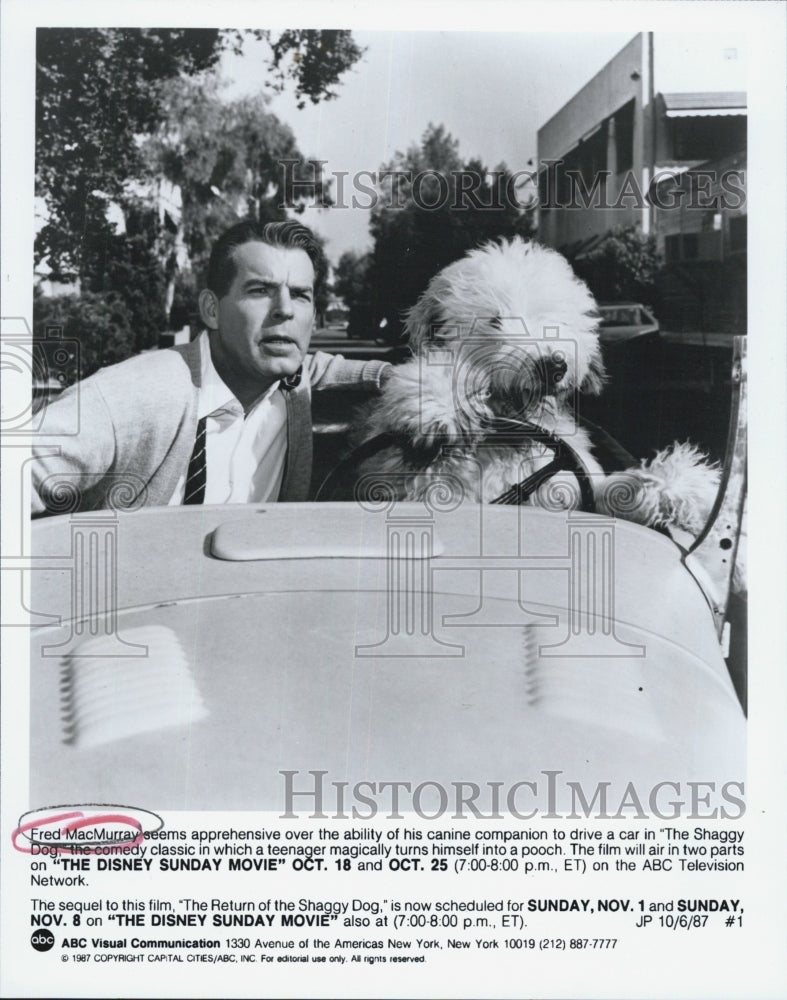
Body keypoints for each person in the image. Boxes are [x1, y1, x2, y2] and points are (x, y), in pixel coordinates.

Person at [31, 220, 391, 515]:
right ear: (211, 310)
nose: (285, 309)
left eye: (300, 294)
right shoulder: (134, 394)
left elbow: (325, 369)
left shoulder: (291, 382)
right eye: (260, 290)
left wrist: (401, 378)